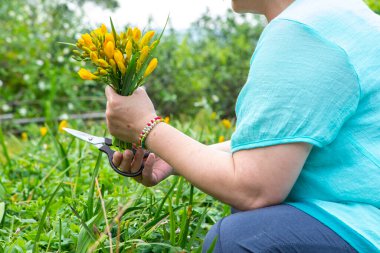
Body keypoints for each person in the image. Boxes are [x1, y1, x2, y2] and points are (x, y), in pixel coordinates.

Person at [104, 0, 380, 252]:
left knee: (239, 238)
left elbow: (254, 188)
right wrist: (173, 157)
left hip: (366, 227)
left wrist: (146, 125)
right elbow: (279, 146)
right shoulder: (340, 14)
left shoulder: (301, 33)